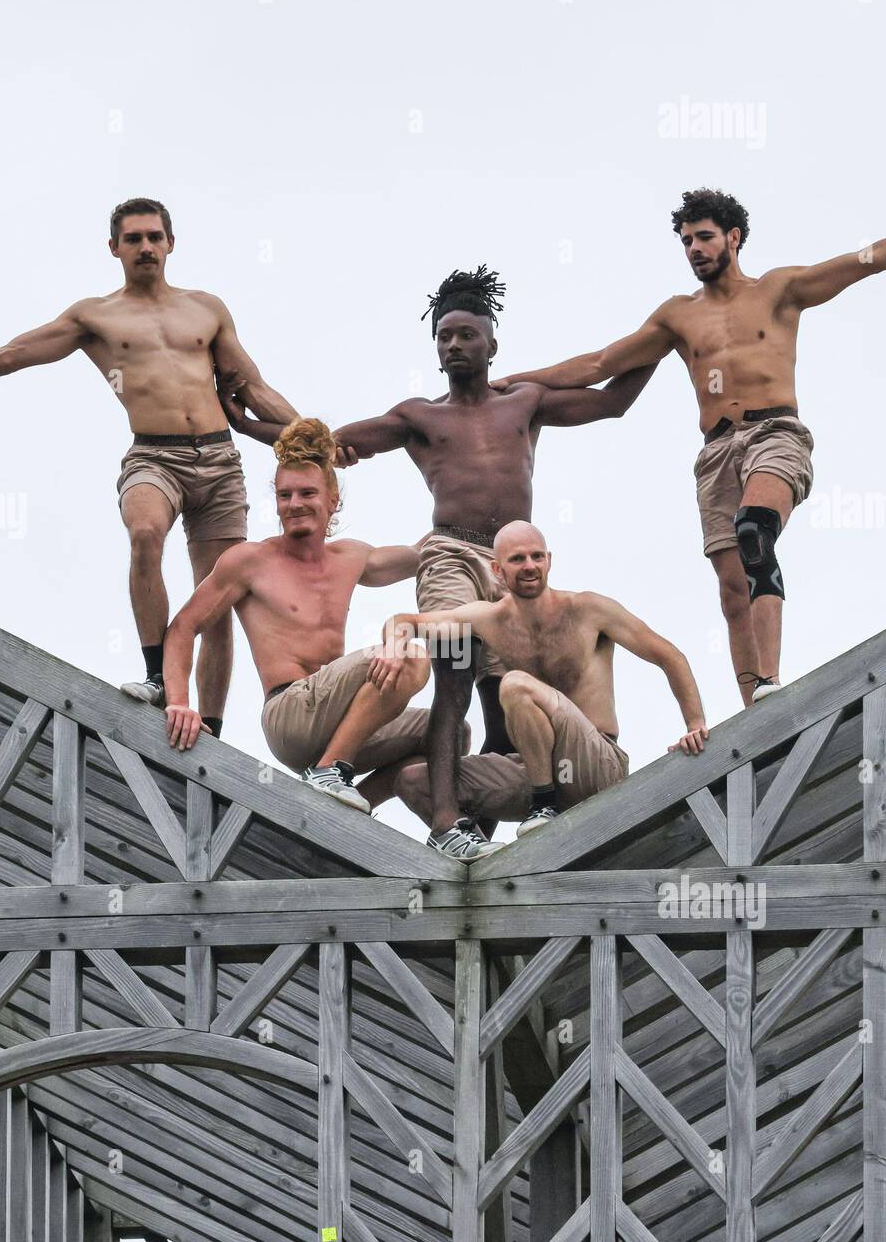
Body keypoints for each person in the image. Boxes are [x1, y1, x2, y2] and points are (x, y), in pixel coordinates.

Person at [498, 183, 886, 706]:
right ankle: (752, 710)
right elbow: (602, 364)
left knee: (754, 532)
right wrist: (512, 381)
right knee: (731, 588)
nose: (694, 248)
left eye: (704, 237)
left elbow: (868, 260)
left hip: (775, 434)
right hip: (716, 452)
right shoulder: (677, 315)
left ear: (733, 238)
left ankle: (770, 679)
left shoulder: (778, 290)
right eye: (687, 241)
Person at [224, 266, 658, 857]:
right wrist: (249, 423)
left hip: (506, 562)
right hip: (451, 553)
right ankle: (445, 823)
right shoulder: (419, 417)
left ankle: (490, 819)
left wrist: (665, 340)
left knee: (507, 688)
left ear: (492, 344)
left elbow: (613, 401)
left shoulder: (524, 402)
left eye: (466, 335)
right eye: (444, 337)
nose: (453, 344)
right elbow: (322, 446)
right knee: (454, 666)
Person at [0, 196, 298, 733]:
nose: (146, 247)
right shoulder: (96, 316)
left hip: (219, 457)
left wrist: (313, 440)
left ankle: (210, 730)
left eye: (155, 237)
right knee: (144, 533)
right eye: (133, 239)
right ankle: (159, 676)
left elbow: (252, 386)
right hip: (154, 456)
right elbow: (9, 354)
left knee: (219, 597)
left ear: (171, 244)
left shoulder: (206, 308)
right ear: (114, 248)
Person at [161, 418, 454, 814]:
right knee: (411, 657)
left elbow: (422, 554)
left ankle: (342, 809)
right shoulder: (250, 561)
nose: (295, 504)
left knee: (450, 733)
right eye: (285, 495)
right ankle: (328, 772)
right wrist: (179, 702)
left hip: (345, 721)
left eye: (307, 493)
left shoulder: (351, 556)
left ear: (332, 500)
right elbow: (184, 626)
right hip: (289, 715)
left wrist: (470, 513)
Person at [377, 521, 708, 840]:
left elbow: (669, 656)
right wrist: (394, 645)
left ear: (550, 561)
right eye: (517, 559)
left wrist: (695, 723)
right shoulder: (490, 619)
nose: (529, 566)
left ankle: (543, 802)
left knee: (515, 686)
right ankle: (480, 854)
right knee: (413, 781)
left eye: (537, 556)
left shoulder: (588, 609)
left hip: (594, 765)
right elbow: (406, 621)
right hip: (532, 771)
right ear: (498, 570)